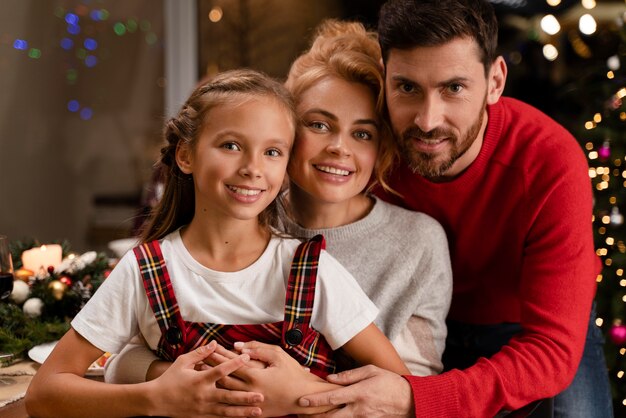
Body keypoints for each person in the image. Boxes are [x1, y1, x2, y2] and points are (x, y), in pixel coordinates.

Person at [287, 0, 612, 417]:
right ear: (385, 79)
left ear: (495, 81)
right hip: (417, 318)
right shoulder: (370, 146)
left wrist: (417, 397)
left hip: (530, 329)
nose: (426, 120)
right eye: (407, 87)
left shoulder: (549, 161)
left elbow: (551, 349)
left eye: (453, 88)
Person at [24, 68, 410, 418]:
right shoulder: (146, 270)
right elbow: (44, 394)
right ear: (186, 154)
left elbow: (399, 391)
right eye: (230, 145)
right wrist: (156, 396)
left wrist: (302, 394)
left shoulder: (311, 271)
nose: (252, 168)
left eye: (272, 152)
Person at [104, 19, 452, 387]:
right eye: (319, 125)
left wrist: (296, 393)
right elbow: (124, 355)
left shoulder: (418, 242)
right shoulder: (235, 211)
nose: (339, 147)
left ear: (381, 149)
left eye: (363, 133)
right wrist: (201, 380)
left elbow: (411, 392)